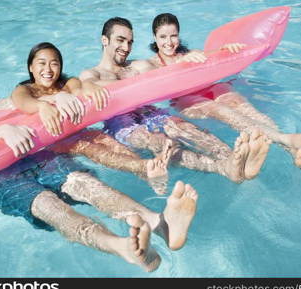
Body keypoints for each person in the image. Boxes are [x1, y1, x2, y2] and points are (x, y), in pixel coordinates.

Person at [0, 51, 199, 272]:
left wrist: (57, 97)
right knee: (54, 209)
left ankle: (160, 223)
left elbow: (36, 101)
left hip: (40, 158)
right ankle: (125, 248)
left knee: (88, 186)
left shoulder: (4, 104)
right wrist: (2, 131)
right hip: (3, 178)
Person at [79, 17, 270, 183]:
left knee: (185, 128)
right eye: (120, 41)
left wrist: (220, 52)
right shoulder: (91, 74)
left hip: (150, 112)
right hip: (121, 123)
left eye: (130, 42)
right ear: (105, 40)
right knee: (162, 143)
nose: (126, 48)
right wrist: (88, 87)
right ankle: (221, 168)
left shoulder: (136, 65)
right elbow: (84, 86)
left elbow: (171, 72)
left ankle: (234, 161)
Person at [148, 13, 301, 168]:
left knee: (237, 103)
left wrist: (227, 50)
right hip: (187, 101)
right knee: (220, 109)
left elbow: (213, 57)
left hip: (209, 89)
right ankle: (286, 138)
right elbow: (153, 82)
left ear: (179, 36)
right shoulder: (152, 64)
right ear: (155, 38)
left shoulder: (192, 52)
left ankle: (293, 151)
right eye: (163, 37)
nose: (169, 42)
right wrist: (181, 64)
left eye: (173, 36)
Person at [11, 42, 174, 194]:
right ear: (31, 67)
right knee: (87, 147)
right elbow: (22, 102)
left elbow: (78, 91)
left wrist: (84, 87)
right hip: (54, 143)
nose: (48, 69)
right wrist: (44, 104)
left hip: (75, 132)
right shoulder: (25, 89)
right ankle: (144, 166)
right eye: (41, 63)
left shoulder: (67, 83)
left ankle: (148, 174)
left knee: (104, 139)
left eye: (54, 63)